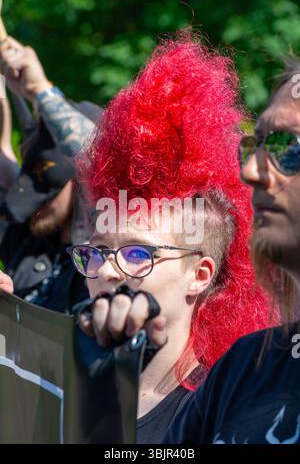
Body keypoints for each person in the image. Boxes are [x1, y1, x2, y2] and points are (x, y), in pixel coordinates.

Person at [70, 34, 273, 443]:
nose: (105, 271)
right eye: (97, 251)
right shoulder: (65, 380)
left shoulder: (226, 413)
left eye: (136, 252)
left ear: (199, 273)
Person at [163, 56, 300, 444]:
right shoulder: (244, 366)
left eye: (286, 148)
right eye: (254, 146)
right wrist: (93, 397)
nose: (252, 171)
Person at [0, 36, 102, 312]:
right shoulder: (24, 239)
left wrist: (39, 91)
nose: (36, 207)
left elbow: (101, 156)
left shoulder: (107, 254)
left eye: (46, 193)